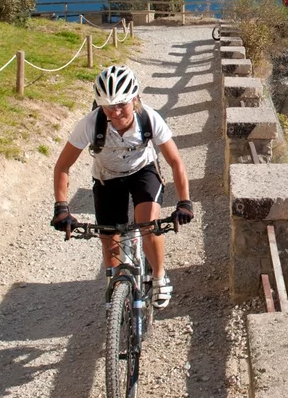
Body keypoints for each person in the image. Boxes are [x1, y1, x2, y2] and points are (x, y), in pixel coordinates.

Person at [50, 65, 193, 308]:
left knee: (147, 224)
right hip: (107, 177)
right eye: (108, 106)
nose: (115, 113)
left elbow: (175, 161)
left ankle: (159, 276)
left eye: (121, 105)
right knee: (109, 237)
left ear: (135, 98)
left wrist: (184, 202)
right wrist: (61, 206)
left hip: (143, 171)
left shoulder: (149, 118)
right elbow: (62, 166)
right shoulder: (91, 124)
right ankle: (115, 287)